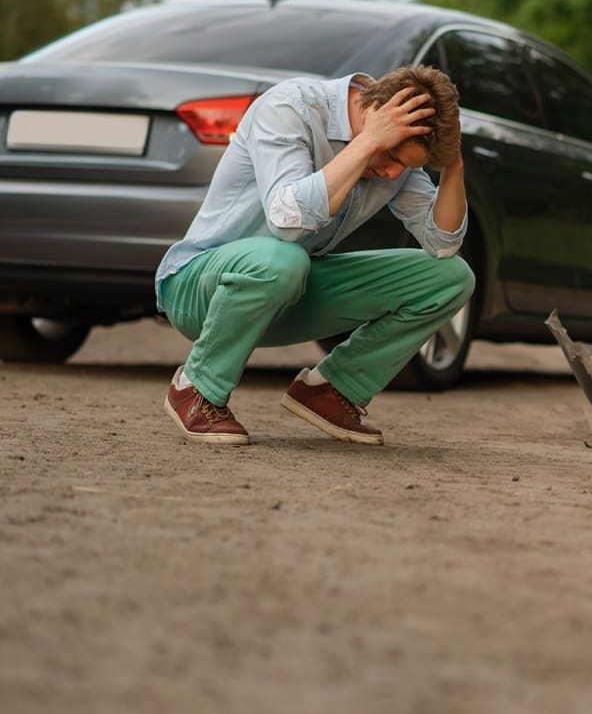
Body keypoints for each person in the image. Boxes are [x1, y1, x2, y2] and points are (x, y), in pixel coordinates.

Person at [155, 65, 474, 446]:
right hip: (199, 288)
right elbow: (287, 222)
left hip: (285, 291)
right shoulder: (290, 107)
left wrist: (453, 164)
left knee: (452, 278)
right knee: (284, 260)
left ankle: (331, 390)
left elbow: (442, 244)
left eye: (405, 165)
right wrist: (366, 145)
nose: (393, 173)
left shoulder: (395, 157)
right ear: (374, 114)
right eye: (392, 156)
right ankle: (196, 389)